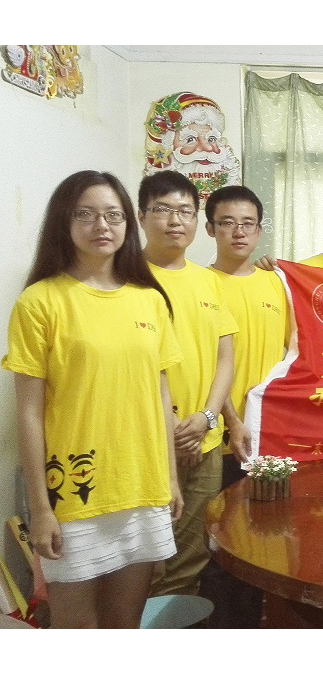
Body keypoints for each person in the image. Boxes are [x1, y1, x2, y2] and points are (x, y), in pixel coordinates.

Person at [3, 171, 183, 628]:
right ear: (63, 223)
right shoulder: (39, 302)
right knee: (76, 630)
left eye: (113, 215)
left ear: (127, 224)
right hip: (75, 495)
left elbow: (160, 394)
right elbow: (28, 413)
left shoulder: (150, 300)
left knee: (124, 626)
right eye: (85, 214)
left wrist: (171, 479)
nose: (101, 225)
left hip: (141, 486)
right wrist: (40, 508)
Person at [139, 170, 238, 597]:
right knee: (145, 561)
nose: (175, 220)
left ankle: (175, 628)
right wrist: (174, 431)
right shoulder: (128, 278)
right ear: (142, 216)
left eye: (185, 211)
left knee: (191, 556)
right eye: (163, 210)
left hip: (205, 439)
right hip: (146, 443)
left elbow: (225, 358)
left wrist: (207, 418)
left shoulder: (208, 280)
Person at [199, 185, 289, 627]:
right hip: (221, 438)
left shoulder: (277, 283)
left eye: (248, 223)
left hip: (271, 439)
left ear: (259, 229)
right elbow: (203, 365)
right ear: (210, 228)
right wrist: (232, 420)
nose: (238, 232)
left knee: (268, 538)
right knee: (221, 542)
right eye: (228, 223)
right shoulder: (198, 285)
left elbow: (296, 354)